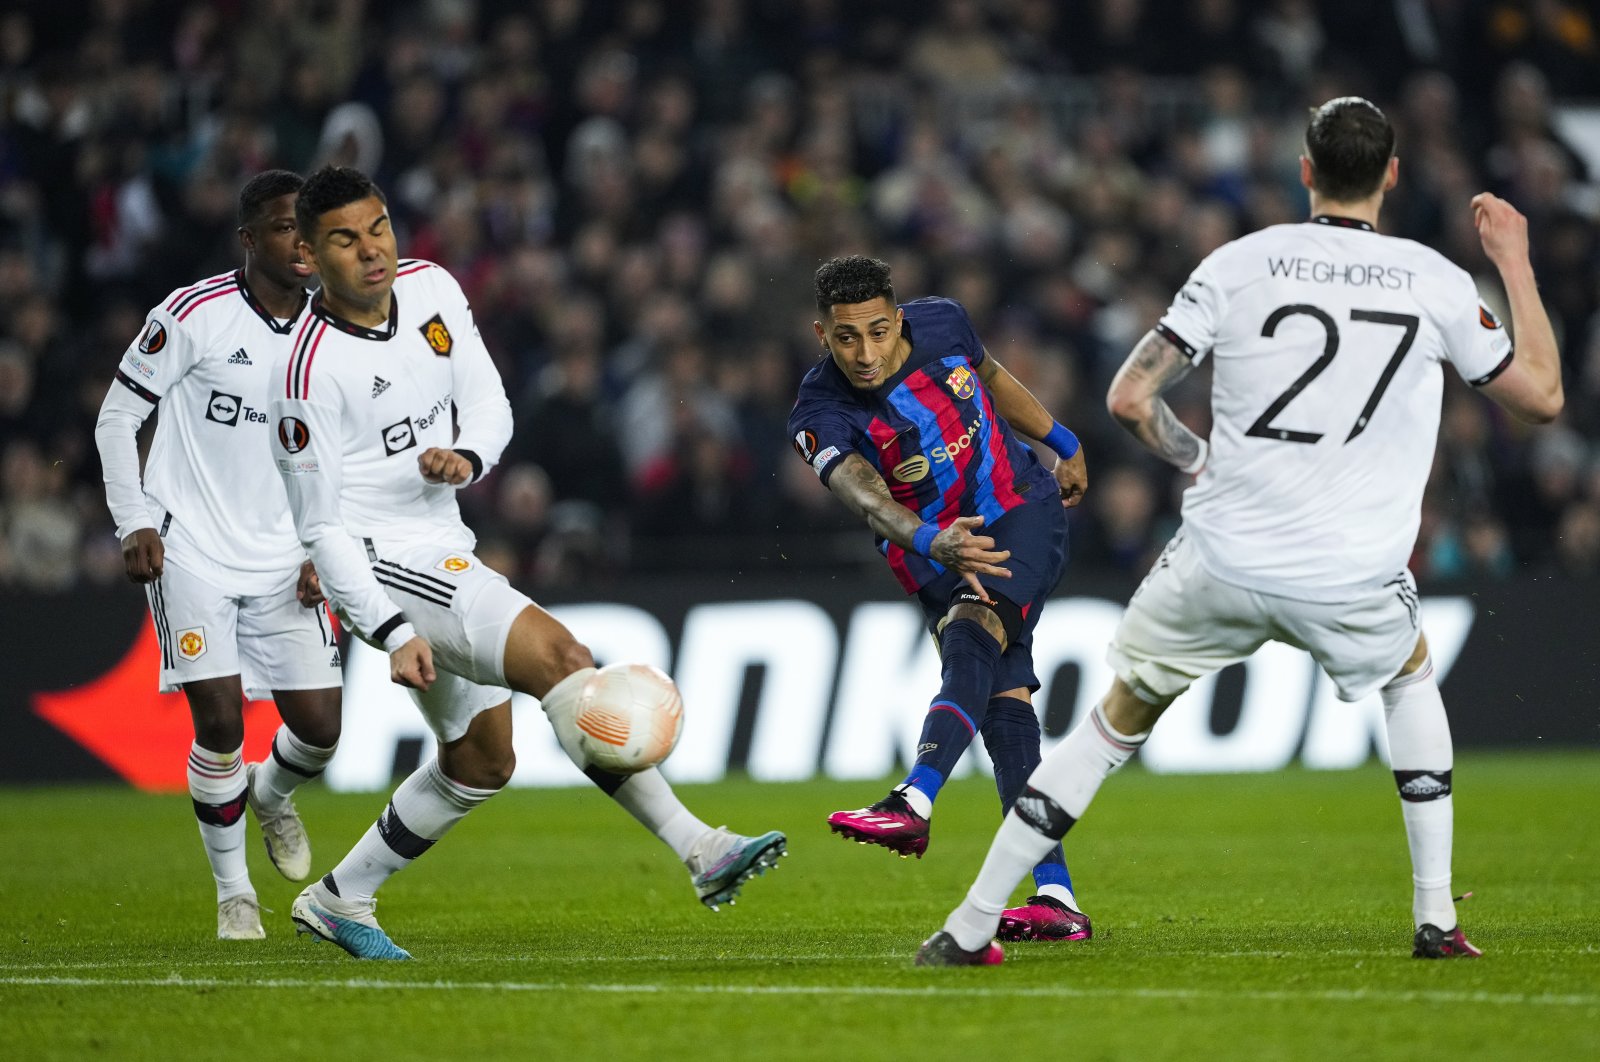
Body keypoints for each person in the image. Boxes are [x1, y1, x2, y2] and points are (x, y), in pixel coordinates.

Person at [917, 97, 1563, 966]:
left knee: (1111, 726)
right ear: (1393, 174)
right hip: (1352, 572)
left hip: (1221, 557)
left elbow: (1127, 399)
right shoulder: (1435, 279)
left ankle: (967, 927)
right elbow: (1543, 400)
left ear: (1304, 170)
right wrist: (1515, 264)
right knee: (1408, 681)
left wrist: (1195, 454)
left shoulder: (1240, 263)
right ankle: (1437, 920)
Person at [270, 165, 785, 961]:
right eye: (344, 239)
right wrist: (391, 625)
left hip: (441, 539)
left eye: (378, 228)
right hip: (380, 560)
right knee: (564, 658)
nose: (371, 250)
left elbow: (487, 400)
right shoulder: (304, 373)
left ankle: (341, 897)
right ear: (307, 254)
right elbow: (320, 528)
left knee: (482, 761)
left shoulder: (433, 288)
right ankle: (700, 847)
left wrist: (470, 456)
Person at [788, 254, 1093, 941]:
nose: (863, 353)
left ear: (898, 319)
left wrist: (1061, 439)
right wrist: (931, 539)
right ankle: (1058, 899)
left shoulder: (944, 323)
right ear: (821, 335)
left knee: (974, 625)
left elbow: (991, 377)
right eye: (845, 338)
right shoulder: (819, 411)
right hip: (931, 552)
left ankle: (915, 798)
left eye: (875, 331)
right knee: (1004, 707)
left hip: (1018, 509)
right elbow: (860, 491)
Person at [93, 170, 344, 941]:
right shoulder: (191, 315)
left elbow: (351, 449)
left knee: (322, 731)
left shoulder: (337, 326)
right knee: (222, 721)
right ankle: (234, 893)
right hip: (190, 547)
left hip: (285, 555)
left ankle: (269, 797)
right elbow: (116, 416)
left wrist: (329, 543)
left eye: (308, 229)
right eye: (281, 229)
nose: (300, 244)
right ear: (249, 240)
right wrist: (134, 520)